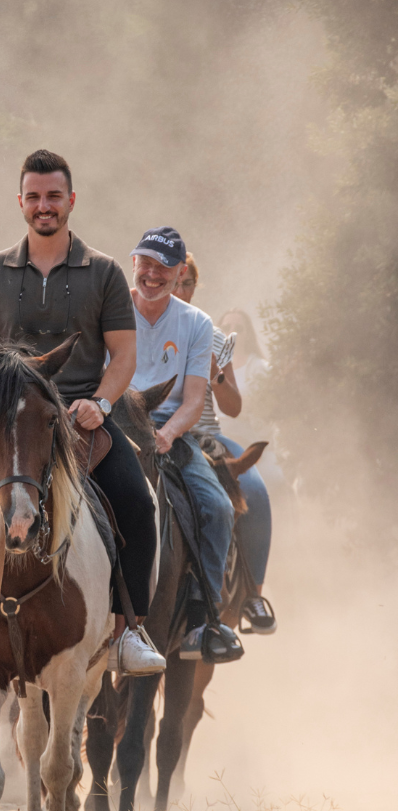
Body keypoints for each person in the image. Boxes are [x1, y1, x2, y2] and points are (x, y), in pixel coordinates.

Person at [0, 149, 165, 677]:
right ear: (20, 202)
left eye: (53, 196)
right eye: (34, 197)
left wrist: (100, 402)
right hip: (8, 424)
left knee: (138, 505)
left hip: (81, 421)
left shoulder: (107, 273)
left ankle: (128, 631)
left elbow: (124, 357)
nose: (43, 206)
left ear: (70, 200)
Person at [128, 229, 242, 661]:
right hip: (116, 423)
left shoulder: (197, 324)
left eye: (163, 267)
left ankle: (203, 618)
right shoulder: (112, 304)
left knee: (219, 507)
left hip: (169, 432)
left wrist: (167, 434)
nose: (152, 274)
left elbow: (196, 399)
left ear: (179, 274)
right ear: (133, 263)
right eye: (146, 264)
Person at [173, 263, 276, 633]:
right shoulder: (139, 327)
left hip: (208, 434)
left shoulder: (214, 335)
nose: (180, 290)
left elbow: (233, 407)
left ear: (196, 285)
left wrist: (216, 372)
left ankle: (252, 595)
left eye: (187, 283)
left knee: (255, 491)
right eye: (174, 282)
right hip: (156, 432)